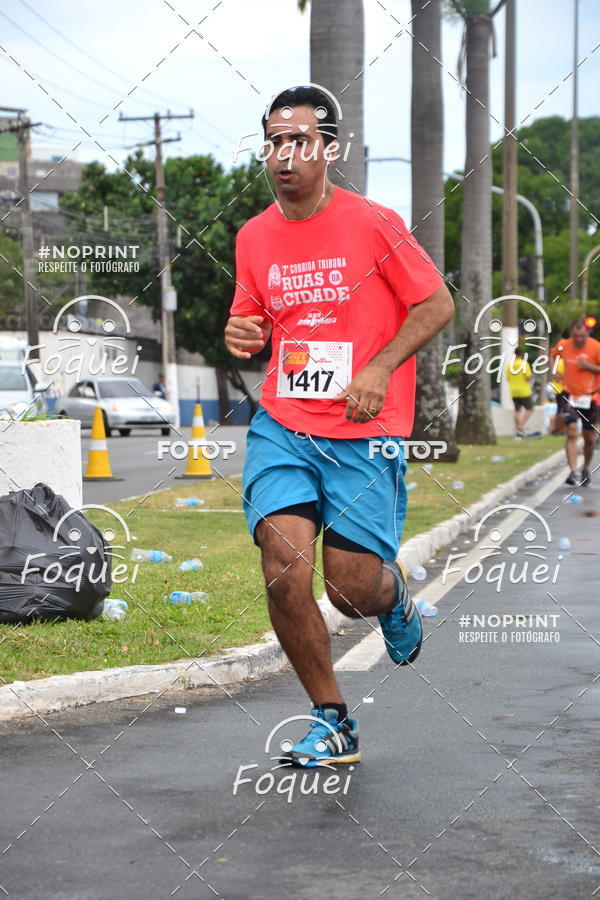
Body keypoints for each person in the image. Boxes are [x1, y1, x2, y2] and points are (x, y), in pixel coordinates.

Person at [224, 85, 454, 767]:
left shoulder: (373, 223)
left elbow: (437, 302)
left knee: (349, 592)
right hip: (286, 422)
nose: (284, 154)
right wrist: (244, 332)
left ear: (328, 148)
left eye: (299, 140)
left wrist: (380, 369)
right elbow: (255, 323)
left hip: (363, 429)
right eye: (273, 140)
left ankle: (392, 598)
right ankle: (332, 719)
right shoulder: (253, 236)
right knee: (283, 565)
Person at [550, 318, 600, 486]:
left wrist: (589, 367)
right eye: (576, 336)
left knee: (589, 438)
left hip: (590, 397)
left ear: (588, 333)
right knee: (571, 431)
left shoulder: (596, 347)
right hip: (569, 395)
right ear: (572, 333)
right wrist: (554, 369)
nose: (578, 339)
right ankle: (572, 471)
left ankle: (585, 467)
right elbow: (553, 355)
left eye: (582, 336)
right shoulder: (564, 344)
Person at [505, 347, 533, 436]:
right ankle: (521, 427)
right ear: (521, 354)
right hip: (524, 391)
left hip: (513, 391)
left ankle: (518, 431)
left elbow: (508, 379)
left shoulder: (509, 365)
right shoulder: (524, 364)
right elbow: (528, 377)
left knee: (517, 411)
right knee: (529, 409)